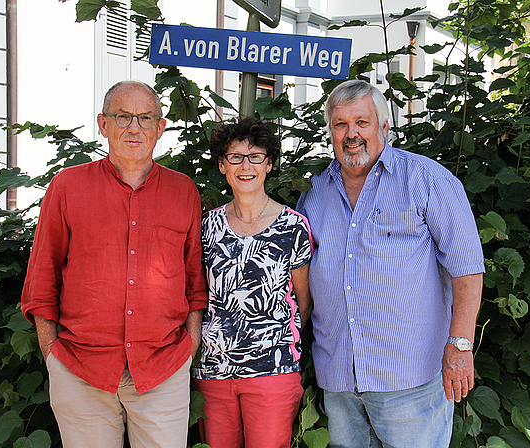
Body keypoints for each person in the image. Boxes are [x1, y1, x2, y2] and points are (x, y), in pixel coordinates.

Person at [296, 79, 485, 448]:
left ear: (383, 127)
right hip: (339, 378)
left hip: (410, 379)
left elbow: (468, 267)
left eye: (362, 122)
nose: (352, 134)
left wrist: (461, 346)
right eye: (340, 124)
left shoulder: (426, 179)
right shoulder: (315, 189)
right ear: (331, 131)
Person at [21, 80, 208, 448]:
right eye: (123, 117)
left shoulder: (183, 190)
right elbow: (42, 277)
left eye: (145, 118)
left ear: (160, 128)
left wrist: (190, 343)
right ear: (103, 124)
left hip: (162, 369)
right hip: (80, 370)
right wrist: (53, 356)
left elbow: (194, 279)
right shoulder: (67, 187)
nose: (134, 127)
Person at [191, 117, 312, 448]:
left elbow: (304, 301)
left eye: (255, 156)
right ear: (222, 165)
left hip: (273, 372)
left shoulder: (292, 226)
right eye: (235, 157)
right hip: (214, 372)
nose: (246, 166)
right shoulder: (206, 227)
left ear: (269, 164)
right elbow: (198, 296)